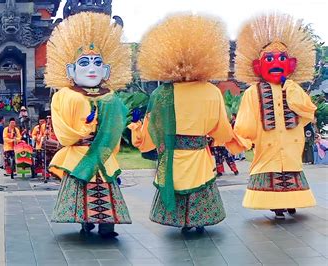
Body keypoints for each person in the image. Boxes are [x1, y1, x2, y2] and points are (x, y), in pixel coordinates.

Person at [128, 14, 236, 233]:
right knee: (200, 185)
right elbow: (222, 128)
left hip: (173, 155)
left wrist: (138, 135)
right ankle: (199, 222)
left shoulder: (161, 93)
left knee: (177, 185)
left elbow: (151, 128)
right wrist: (227, 140)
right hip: (198, 153)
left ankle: (181, 222)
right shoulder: (211, 92)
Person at [44, 12, 132, 237]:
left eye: (97, 63)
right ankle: (85, 221)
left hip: (102, 152)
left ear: (106, 70)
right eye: (84, 63)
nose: (92, 68)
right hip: (79, 152)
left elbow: (115, 128)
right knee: (81, 187)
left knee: (106, 186)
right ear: (71, 70)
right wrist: (83, 132)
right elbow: (62, 128)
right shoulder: (65, 95)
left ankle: (106, 224)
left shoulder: (110, 97)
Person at [229, 14, 317, 219]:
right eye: (269, 59)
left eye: (281, 59)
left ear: (291, 64)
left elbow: (307, 110)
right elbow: (246, 119)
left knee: (292, 167)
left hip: (290, 142)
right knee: (269, 167)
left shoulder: (294, 88)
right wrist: (240, 138)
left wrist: (289, 86)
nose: (276, 62)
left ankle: (292, 201)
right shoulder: (253, 91)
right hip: (266, 142)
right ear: (258, 66)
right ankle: (277, 204)